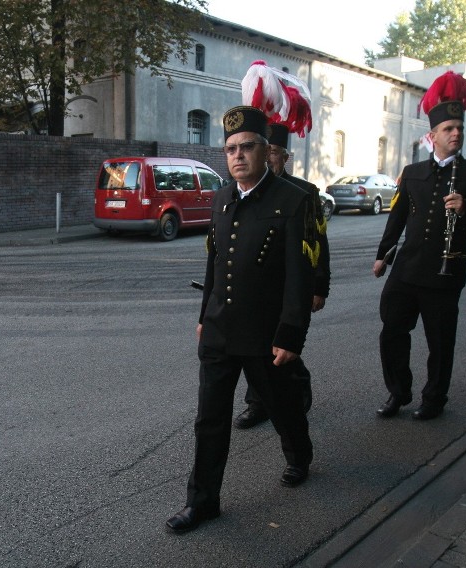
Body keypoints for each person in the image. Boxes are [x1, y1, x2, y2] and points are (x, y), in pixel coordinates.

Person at [165, 106, 316, 534]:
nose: (237, 156)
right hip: (218, 330)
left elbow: (298, 278)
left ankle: (299, 455)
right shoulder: (222, 196)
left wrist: (291, 334)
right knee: (209, 420)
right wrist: (203, 316)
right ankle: (203, 502)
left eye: (246, 147)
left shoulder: (292, 201)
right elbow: (215, 262)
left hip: (265, 335)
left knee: (281, 405)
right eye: (230, 149)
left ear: (266, 151)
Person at [372, 70, 466, 421]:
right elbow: (396, 216)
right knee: (392, 332)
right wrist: (383, 255)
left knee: (440, 344)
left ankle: (434, 398)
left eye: (459, 128)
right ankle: (398, 391)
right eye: (448, 129)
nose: (455, 133)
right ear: (433, 135)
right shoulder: (412, 172)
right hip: (407, 269)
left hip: (444, 275)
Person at [233, 123, 329, 429]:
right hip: (255, 291)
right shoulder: (242, 190)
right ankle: (257, 403)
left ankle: (297, 383)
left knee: (281, 349)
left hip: (289, 290)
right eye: (267, 151)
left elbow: (317, 244)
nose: (269, 158)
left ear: (283, 156)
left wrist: (319, 286)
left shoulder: (304, 192)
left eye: (274, 152)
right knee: (252, 347)